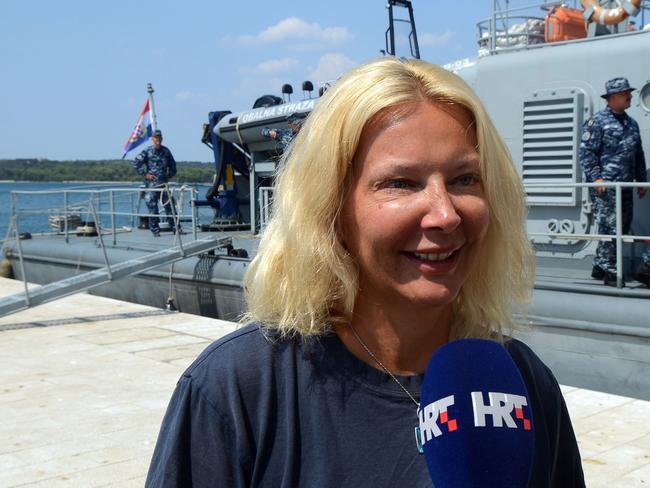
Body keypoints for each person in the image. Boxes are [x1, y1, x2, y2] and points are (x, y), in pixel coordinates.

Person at [146, 58, 585, 487]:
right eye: (401, 183)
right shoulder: (240, 390)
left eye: (465, 179)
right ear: (332, 209)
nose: (445, 215)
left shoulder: (523, 382)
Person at [579, 77, 648, 287]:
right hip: (606, 187)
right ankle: (611, 272)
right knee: (612, 228)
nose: (630, 97)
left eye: (629, 93)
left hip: (626, 186)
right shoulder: (597, 122)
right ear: (614, 97)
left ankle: (599, 266)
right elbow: (587, 153)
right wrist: (596, 178)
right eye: (626, 93)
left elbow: (638, 154)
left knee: (622, 226)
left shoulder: (631, 124)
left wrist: (641, 180)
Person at [132, 129, 178, 237]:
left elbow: (173, 166)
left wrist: (169, 175)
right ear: (152, 139)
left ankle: (176, 229)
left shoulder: (166, 151)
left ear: (161, 138)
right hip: (152, 186)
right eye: (155, 137)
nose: (157, 139)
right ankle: (155, 231)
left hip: (163, 185)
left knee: (170, 207)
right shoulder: (147, 151)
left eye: (159, 137)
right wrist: (145, 174)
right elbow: (135, 162)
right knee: (153, 209)